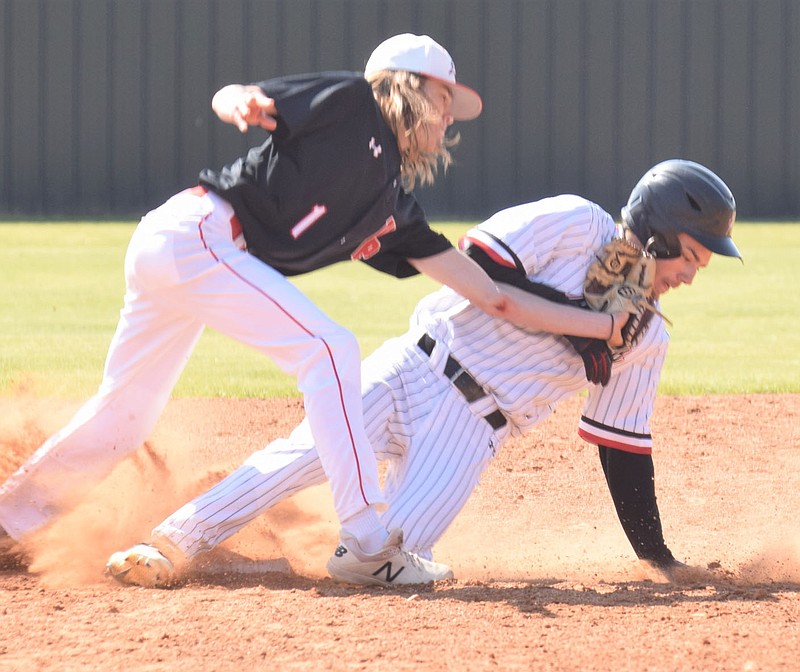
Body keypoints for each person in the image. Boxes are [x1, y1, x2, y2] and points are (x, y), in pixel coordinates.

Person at [0, 34, 623, 585]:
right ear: (410, 87)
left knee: (124, 416)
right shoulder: (353, 105)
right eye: (442, 99)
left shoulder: (392, 208)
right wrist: (236, 101)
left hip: (191, 254)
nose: (446, 119)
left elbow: (495, 295)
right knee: (329, 349)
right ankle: (370, 542)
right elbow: (238, 96)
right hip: (197, 233)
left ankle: (10, 517)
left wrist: (599, 326)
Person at [103, 159, 741, 588]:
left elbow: (621, 444)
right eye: (689, 255)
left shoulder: (647, 334)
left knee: (378, 565)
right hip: (416, 363)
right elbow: (477, 262)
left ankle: (283, 557)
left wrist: (655, 555)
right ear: (656, 234)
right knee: (299, 454)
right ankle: (174, 545)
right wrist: (577, 318)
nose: (689, 275)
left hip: (472, 432)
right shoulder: (577, 223)